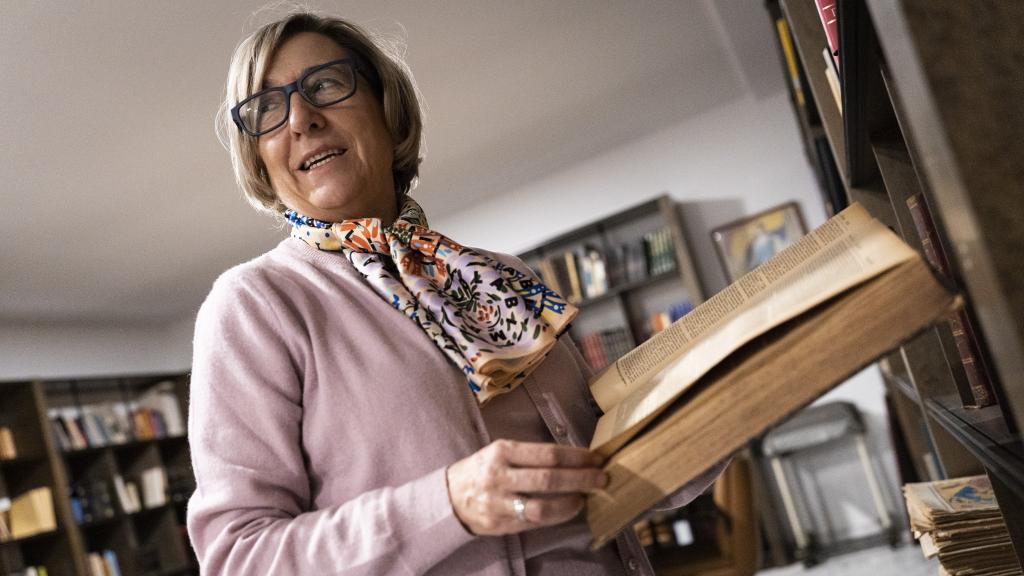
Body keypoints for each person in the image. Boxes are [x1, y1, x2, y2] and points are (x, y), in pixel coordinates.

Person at [187, 11, 724, 575]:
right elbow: (239, 558)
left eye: (324, 84)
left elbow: (610, 476)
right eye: (267, 109)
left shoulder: (501, 273)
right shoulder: (254, 306)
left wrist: (739, 400)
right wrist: (449, 505)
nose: (301, 118)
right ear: (259, 159)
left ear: (389, 113)